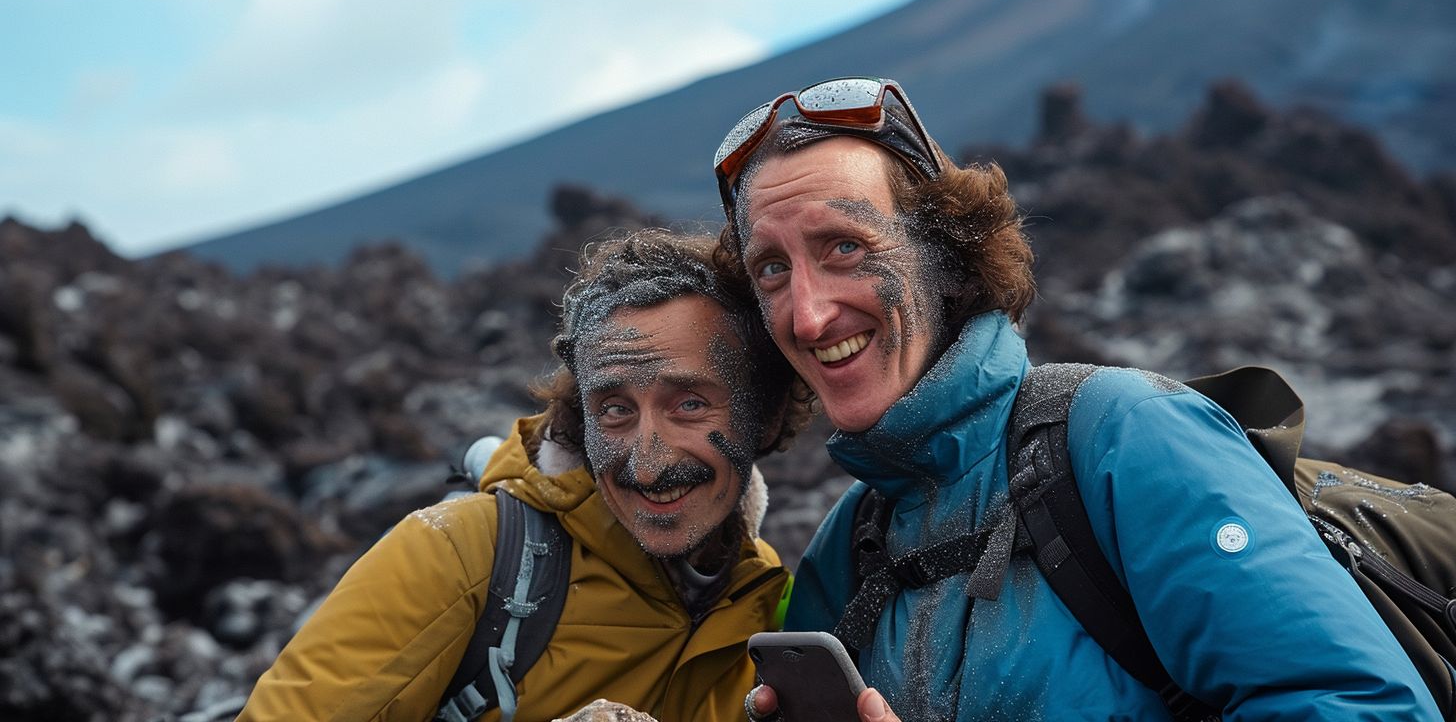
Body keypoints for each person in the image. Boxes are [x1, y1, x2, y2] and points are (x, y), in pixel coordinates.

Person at [714, 77, 1440, 721]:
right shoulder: (847, 550)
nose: (806, 315)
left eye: (845, 247)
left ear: (946, 257)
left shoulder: (1124, 440)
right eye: (771, 269)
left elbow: (1363, 706)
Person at [239, 229, 807, 722]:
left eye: (688, 405)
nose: (646, 461)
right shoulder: (460, 556)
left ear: (768, 412)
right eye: (614, 410)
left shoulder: (761, 603)